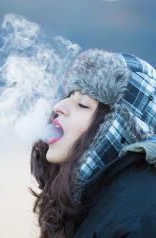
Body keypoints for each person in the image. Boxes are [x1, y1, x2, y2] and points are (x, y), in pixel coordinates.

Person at [30, 49, 156, 238]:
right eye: (70, 95)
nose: (58, 107)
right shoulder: (89, 198)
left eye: (83, 104)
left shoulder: (137, 218)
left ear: (120, 129)